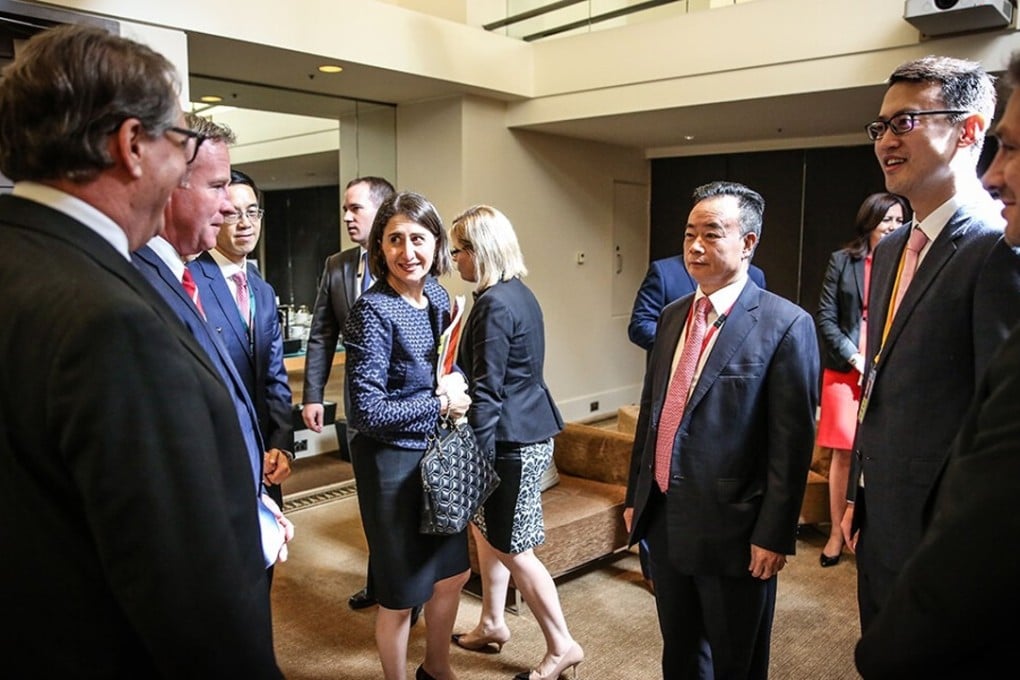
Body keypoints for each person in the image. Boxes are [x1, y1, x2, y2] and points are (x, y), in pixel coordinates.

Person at [0, 24, 281, 676]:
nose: (187, 168)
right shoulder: (112, 321)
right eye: (179, 143)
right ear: (132, 145)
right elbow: (188, 598)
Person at [854, 51, 1020, 677]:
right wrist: (862, 496)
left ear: (970, 130)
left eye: (904, 123)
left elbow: (993, 420)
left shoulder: (998, 245)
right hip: (882, 516)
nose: (885, 142)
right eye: (881, 127)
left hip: (940, 537)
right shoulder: (895, 244)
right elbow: (886, 378)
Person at [625, 181, 819, 679]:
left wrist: (774, 535)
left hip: (736, 530)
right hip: (666, 518)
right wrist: (636, 496)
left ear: (748, 243)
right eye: (690, 234)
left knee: (737, 660)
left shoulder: (785, 324)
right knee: (681, 653)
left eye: (711, 234)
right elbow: (653, 413)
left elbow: (790, 446)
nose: (694, 247)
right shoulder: (672, 317)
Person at [133, 113, 293, 574]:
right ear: (168, 185)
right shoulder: (143, 277)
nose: (229, 210)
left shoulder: (254, 286)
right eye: (218, 188)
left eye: (246, 205)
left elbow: (269, 377)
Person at [448, 205, 583, 680]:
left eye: (458, 250)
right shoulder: (518, 294)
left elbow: (488, 392)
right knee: (488, 534)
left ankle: (562, 644)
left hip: (509, 442)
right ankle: (491, 621)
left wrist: (473, 463)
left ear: (480, 251)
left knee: (514, 546)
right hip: (525, 432)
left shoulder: (494, 304)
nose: (454, 260)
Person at [343, 191, 472, 680]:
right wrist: (440, 402)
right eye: (394, 240)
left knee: (453, 573)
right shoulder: (372, 311)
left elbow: (443, 363)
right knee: (401, 594)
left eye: (417, 238)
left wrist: (454, 381)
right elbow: (369, 411)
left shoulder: (438, 296)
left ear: (435, 243)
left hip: (437, 456)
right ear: (380, 247)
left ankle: (436, 668)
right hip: (392, 465)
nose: (407, 251)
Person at [302, 175, 396, 612]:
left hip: (402, 407)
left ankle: (404, 588)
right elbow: (321, 334)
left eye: (355, 208)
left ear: (382, 210)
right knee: (371, 499)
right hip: (359, 408)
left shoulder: (406, 259)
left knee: (400, 502)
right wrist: (313, 394)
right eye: (345, 208)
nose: (346, 217)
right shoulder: (337, 265)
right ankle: (380, 582)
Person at [189, 169, 294, 515]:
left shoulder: (262, 290)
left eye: (252, 211)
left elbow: (275, 376)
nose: (245, 222)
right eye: (233, 213)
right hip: (219, 453)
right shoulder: (190, 283)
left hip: (266, 455)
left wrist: (281, 444)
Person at [814, 192, 908, 567]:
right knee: (843, 452)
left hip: (888, 365)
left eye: (900, 221)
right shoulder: (843, 260)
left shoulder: (908, 260)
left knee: (881, 448)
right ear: (870, 221)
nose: (893, 227)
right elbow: (825, 316)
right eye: (887, 220)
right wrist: (854, 357)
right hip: (844, 366)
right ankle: (837, 530)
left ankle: (874, 530)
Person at [629, 252, 766, 352]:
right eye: (690, 235)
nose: (697, 244)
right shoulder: (665, 272)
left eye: (712, 235)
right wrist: (685, 344)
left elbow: (758, 329)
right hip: (672, 376)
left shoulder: (754, 276)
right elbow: (640, 325)